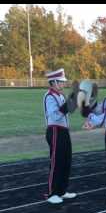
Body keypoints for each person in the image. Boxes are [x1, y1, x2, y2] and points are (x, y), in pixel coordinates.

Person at [43, 68, 77, 204]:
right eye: (61, 82)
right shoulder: (49, 96)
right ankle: (52, 193)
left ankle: (62, 190)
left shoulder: (61, 96)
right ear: (54, 82)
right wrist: (69, 103)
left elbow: (69, 110)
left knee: (66, 161)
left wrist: (76, 100)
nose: (63, 84)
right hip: (55, 131)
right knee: (56, 162)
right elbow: (55, 115)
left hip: (63, 131)